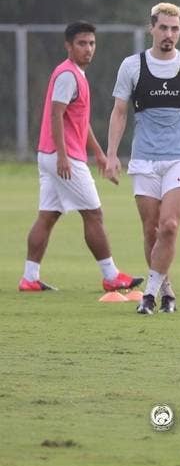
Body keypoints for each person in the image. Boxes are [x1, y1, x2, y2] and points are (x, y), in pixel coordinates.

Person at [104, 3, 180, 314]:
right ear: (152, 28)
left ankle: (149, 295)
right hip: (144, 159)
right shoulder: (132, 66)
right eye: (163, 28)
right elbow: (119, 113)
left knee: (169, 225)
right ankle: (167, 290)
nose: (169, 34)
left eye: (175, 29)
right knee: (151, 230)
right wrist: (111, 154)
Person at [19, 21, 143, 293]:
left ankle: (30, 277)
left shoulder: (76, 74)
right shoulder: (67, 75)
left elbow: (79, 121)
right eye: (82, 43)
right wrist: (62, 156)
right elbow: (56, 114)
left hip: (51, 156)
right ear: (68, 46)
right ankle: (111, 276)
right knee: (94, 214)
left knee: (48, 216)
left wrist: (98, 153)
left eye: (91, 43)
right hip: (62, 157)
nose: (88, 49)